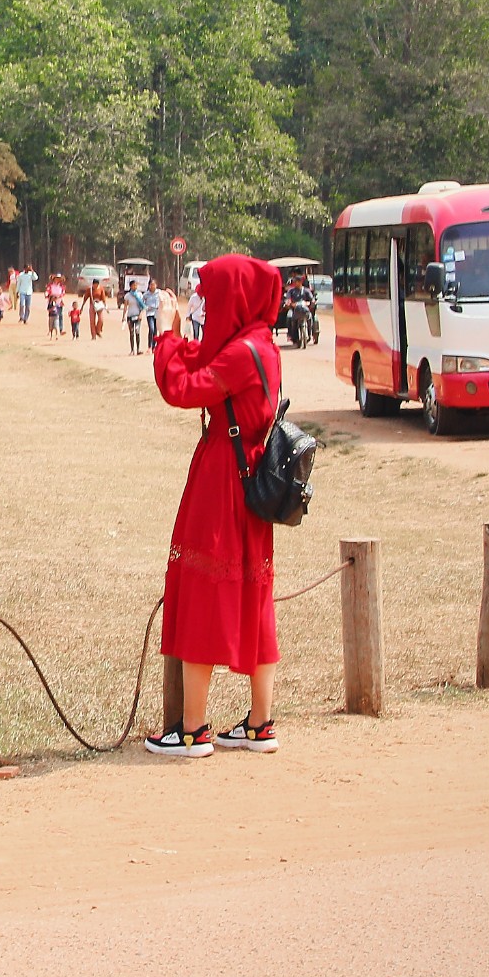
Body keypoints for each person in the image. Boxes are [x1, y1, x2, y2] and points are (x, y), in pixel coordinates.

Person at [146, 254, 284, 757]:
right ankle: (259, 723)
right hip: (248, 478)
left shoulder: (241, 354)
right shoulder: (258, 345)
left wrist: (163, 336)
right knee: (254, 594)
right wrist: (178, 334)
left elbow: (181, 386)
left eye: (210, 292)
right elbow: (202, 360)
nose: (203, 300)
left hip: (224, 478)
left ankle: (193, 730)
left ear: (235, 297)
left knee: (205, 588)